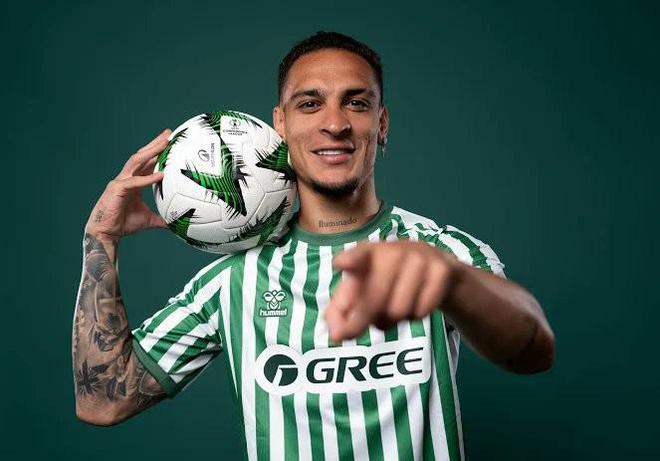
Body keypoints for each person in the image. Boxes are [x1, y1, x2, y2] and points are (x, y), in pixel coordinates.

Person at [72, 31, 554, 460]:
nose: (335, 123)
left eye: (356, 103)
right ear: (279, 124)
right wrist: (101, 240)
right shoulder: (233, 279)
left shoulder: (441, 253)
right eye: (310, 104)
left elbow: (533, 351)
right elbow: (103, 402)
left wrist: (452, 283)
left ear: (381, 123)